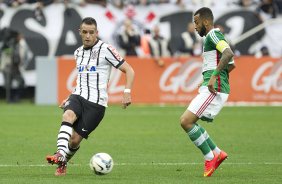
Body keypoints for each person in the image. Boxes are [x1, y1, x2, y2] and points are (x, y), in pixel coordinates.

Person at [46, 17, 135, 176]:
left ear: (97, 33)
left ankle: (64, 160)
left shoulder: (106, 49)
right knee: (68, 114)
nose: (88, 36)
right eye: (85, 32)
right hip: (78, 96)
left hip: (96, 104)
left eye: (91, 32)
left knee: (74, 141)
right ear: (80, 32)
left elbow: (129, 70)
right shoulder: (78, 52)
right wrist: (69, 96)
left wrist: (127, 92)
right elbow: (82, 77)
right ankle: (60, 153)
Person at [179, 7, 235, 177]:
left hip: (214, 88)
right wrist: (210, 78)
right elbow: (231, 64)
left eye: (196, 22)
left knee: (186, 121)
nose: (195, 26)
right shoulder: (214, 37)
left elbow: (228, 53)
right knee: (192, 122)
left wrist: (214, 78)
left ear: (205, 21)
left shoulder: (212, 35)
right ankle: (218, 153)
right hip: (213, 86)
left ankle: (210, 157)